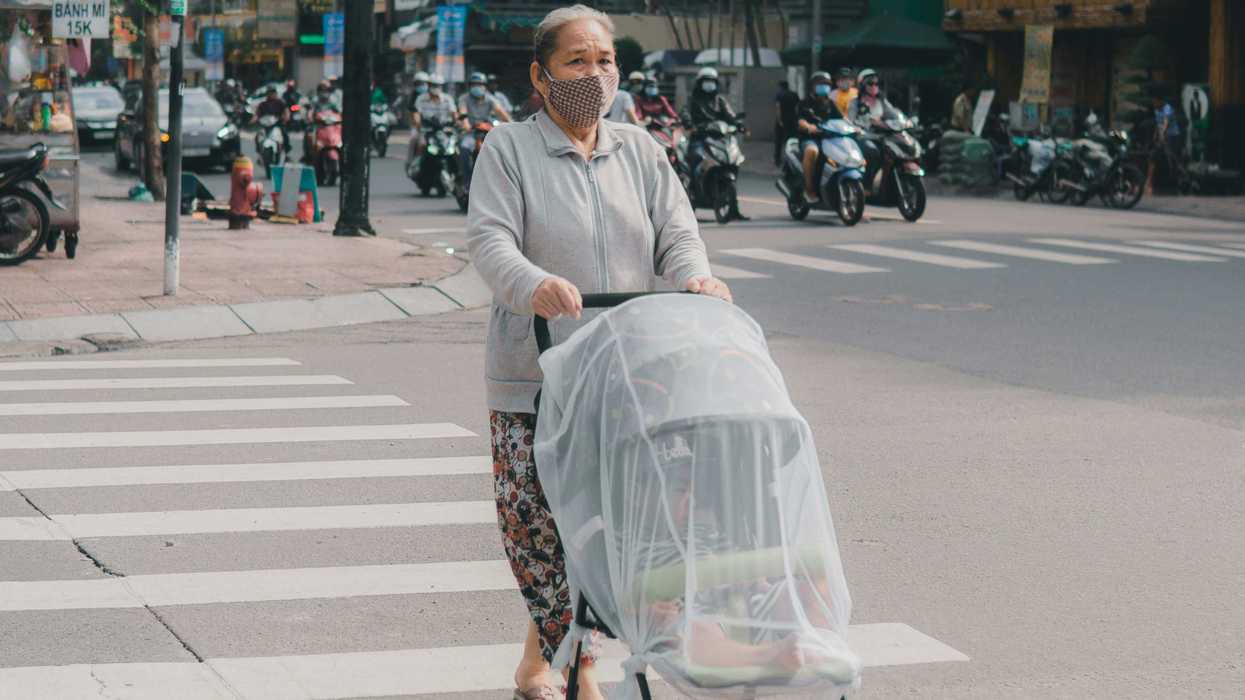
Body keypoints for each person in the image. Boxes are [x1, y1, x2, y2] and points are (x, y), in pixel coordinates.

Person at [465, 6, 731, 699]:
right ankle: (554, 659)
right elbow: (490, 242)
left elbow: (677, 234)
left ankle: (567, 661)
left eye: (604, 60)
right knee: (539, 528)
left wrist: (694, 277)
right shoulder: (508, 149)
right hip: (535, 372)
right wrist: (534, 284)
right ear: (540, 75)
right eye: (576, 61)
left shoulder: (640, 151)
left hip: (625, 370)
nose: (594, 74)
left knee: (607, 526)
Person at [684, 66, 748, 220]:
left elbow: (730, 115)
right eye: (706, 81)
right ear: (700, 83)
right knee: (696, 160)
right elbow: (685, 113)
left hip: (720, 138)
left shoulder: (720, 100)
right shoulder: (693, 100)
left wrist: (739, 125)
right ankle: (692, 193)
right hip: (700, 138)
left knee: (733, 160)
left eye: (711, 81)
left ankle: (734, 209)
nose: (709, 84)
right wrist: (690, 125)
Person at [795, 71, 842, 203]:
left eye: (826, 84)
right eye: (820, 84)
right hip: (810, 139)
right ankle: (809, 189)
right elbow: (800, 120)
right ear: (813, 86)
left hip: (829, 139)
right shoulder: (805, 103)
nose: (824, 86)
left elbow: (843, 120)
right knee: (812, 151)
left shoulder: (831, 103)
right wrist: (808, 126)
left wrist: (855, 127)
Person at [458, 71, 512, 184]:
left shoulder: (490, 99)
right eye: (474, 84)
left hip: (487, 133)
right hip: (471, 133)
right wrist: (466, 124)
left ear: (484, 86)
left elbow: (502, 113)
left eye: (480, 84)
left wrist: (513, 125)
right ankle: (466, 181)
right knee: (464, 149)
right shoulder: (464, 99)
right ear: (470, 86)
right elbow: (462, 113)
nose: (477, 87)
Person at [406, 74, 457, 174]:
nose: (436, 88)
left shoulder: (448, 99)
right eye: (433, 85)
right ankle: (412, 164)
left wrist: (457, 122)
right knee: (416, 140)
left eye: (438, 85)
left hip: (444, 130)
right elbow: (416, 115)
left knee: (455, 146)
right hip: (425, 129)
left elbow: (454, 114)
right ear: (429, 85)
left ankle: (458, 174)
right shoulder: (420, 98)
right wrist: (418, 124)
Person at [1146, 92, 1182, 195]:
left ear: (1161, 102)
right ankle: (1149, 182)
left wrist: (1163, 134)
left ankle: (1176, 182)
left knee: (1172, 158)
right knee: (1153, 156)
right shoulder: (1157, 110)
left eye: (1156, 102)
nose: (1154, 104)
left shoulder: (1167, 108)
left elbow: (1166, 123)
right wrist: (1156, 135)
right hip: (1162, 137)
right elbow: (1159, 124)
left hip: (1172, 136)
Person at [254, 86, 291, 151]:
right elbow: (257, 114)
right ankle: (259, 150)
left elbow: (286, 110)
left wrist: (286, 117)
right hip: (265, 125)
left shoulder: (280, 103)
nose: (271, 94)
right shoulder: (263, 104)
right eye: (270, 93)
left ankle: (286, 149)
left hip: (277, 124)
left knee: (284, 134)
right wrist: (254, 119)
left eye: (273, 93)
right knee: (258, 136)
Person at [773, 79, 800, 166]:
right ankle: (790, 160)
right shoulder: (794, 94)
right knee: (791, 141)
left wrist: (779, 120)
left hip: (782, 121)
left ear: (781, 87)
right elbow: (797, 108)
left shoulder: (779, 94)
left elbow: (778, 108)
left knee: (779, 141)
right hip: (792, 120)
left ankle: (777, 160)